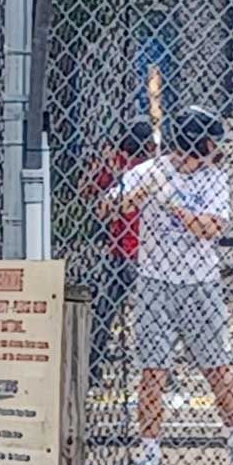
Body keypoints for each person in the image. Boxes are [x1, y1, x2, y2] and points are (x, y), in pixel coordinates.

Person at [102, 107, 233, 465]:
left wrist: (174, 203)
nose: (217, 147)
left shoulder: (214, 179)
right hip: (155, 283)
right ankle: (149, 455)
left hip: (201, 285)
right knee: (152, 373)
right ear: (194, 142)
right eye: (210, 141)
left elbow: (212, 228)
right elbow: (107, 206)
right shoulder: (149, 171)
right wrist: (138, 192)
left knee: (218, 370)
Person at [81, 122, 156, 387]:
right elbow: (87, 188)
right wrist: (110, 164)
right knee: (137, 312)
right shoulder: (136, 168)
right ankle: (93, 368)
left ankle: (94, 368)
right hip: (131, 252)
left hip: (134, 251)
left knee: (109, 311)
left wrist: (110, 164)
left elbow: (87, 188)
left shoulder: (146, 170)